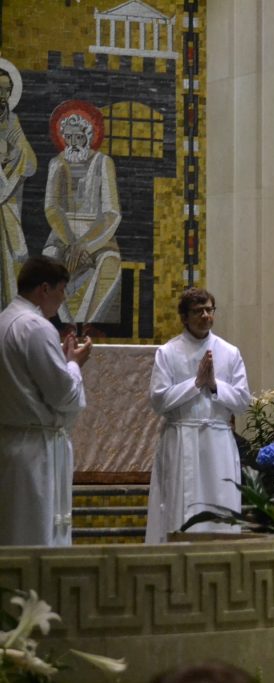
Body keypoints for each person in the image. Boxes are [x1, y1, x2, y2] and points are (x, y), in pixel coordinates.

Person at [146, 288, 251, 543]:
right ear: (184, 317)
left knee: (220, 504)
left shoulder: (229, 352)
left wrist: (214, 385)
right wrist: (195, 384)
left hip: (219, 441)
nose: (205, 315)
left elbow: (243, 400)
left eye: (209, 310)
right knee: (181, 505)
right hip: (182, 439)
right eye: (197, 311)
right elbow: (159, 401)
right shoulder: (168, 352)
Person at [0, 256, 90, 546]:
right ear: (44, 289)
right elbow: (64, 396)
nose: (62, 299)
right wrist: (74, 364)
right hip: (35, 450)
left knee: (12, 531)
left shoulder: (5, 320)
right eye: (62, 290)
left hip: (11, 441)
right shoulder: (36, 327)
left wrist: (62, 362)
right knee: (36, 536)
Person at [43, 111, 122, 323]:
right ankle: (65, 322)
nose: (74, 142)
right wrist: (71, 243)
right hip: (63, 236)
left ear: (87, 136)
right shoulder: (57, 163)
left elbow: (111, 212)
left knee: (110, 262)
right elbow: (52, 208)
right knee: (49, 261)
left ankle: (85, 323)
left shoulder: (103, 162)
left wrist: (87, 245)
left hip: (100, 239)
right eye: (69, 137)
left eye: (78, 137)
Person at [0, 63, 37, 310]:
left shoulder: (12, 121)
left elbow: (30, 162)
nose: (2, 96)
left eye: (7, 90)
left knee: (8, 259)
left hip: (6, 203)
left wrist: (14, 150)